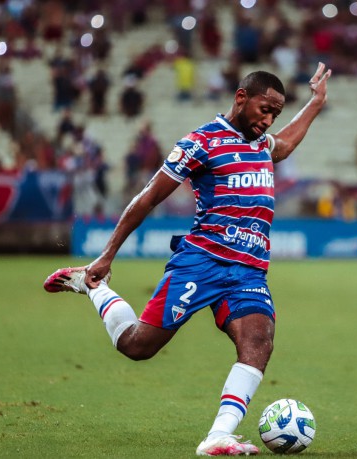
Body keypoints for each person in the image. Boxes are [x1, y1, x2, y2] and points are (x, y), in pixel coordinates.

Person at [44, 63, 332, 456]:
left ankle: (218, 436)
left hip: (248, 270)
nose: (268, 120)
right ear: (241, 98)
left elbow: (286, 144)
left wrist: (315, 103)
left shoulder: (262, 144)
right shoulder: (202, 142)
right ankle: (94, 285)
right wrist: (107, 255)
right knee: (137, 346)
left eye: (275, 114)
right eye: (265, 109)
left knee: (258, 342)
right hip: (201, 262)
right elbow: (148, 197)